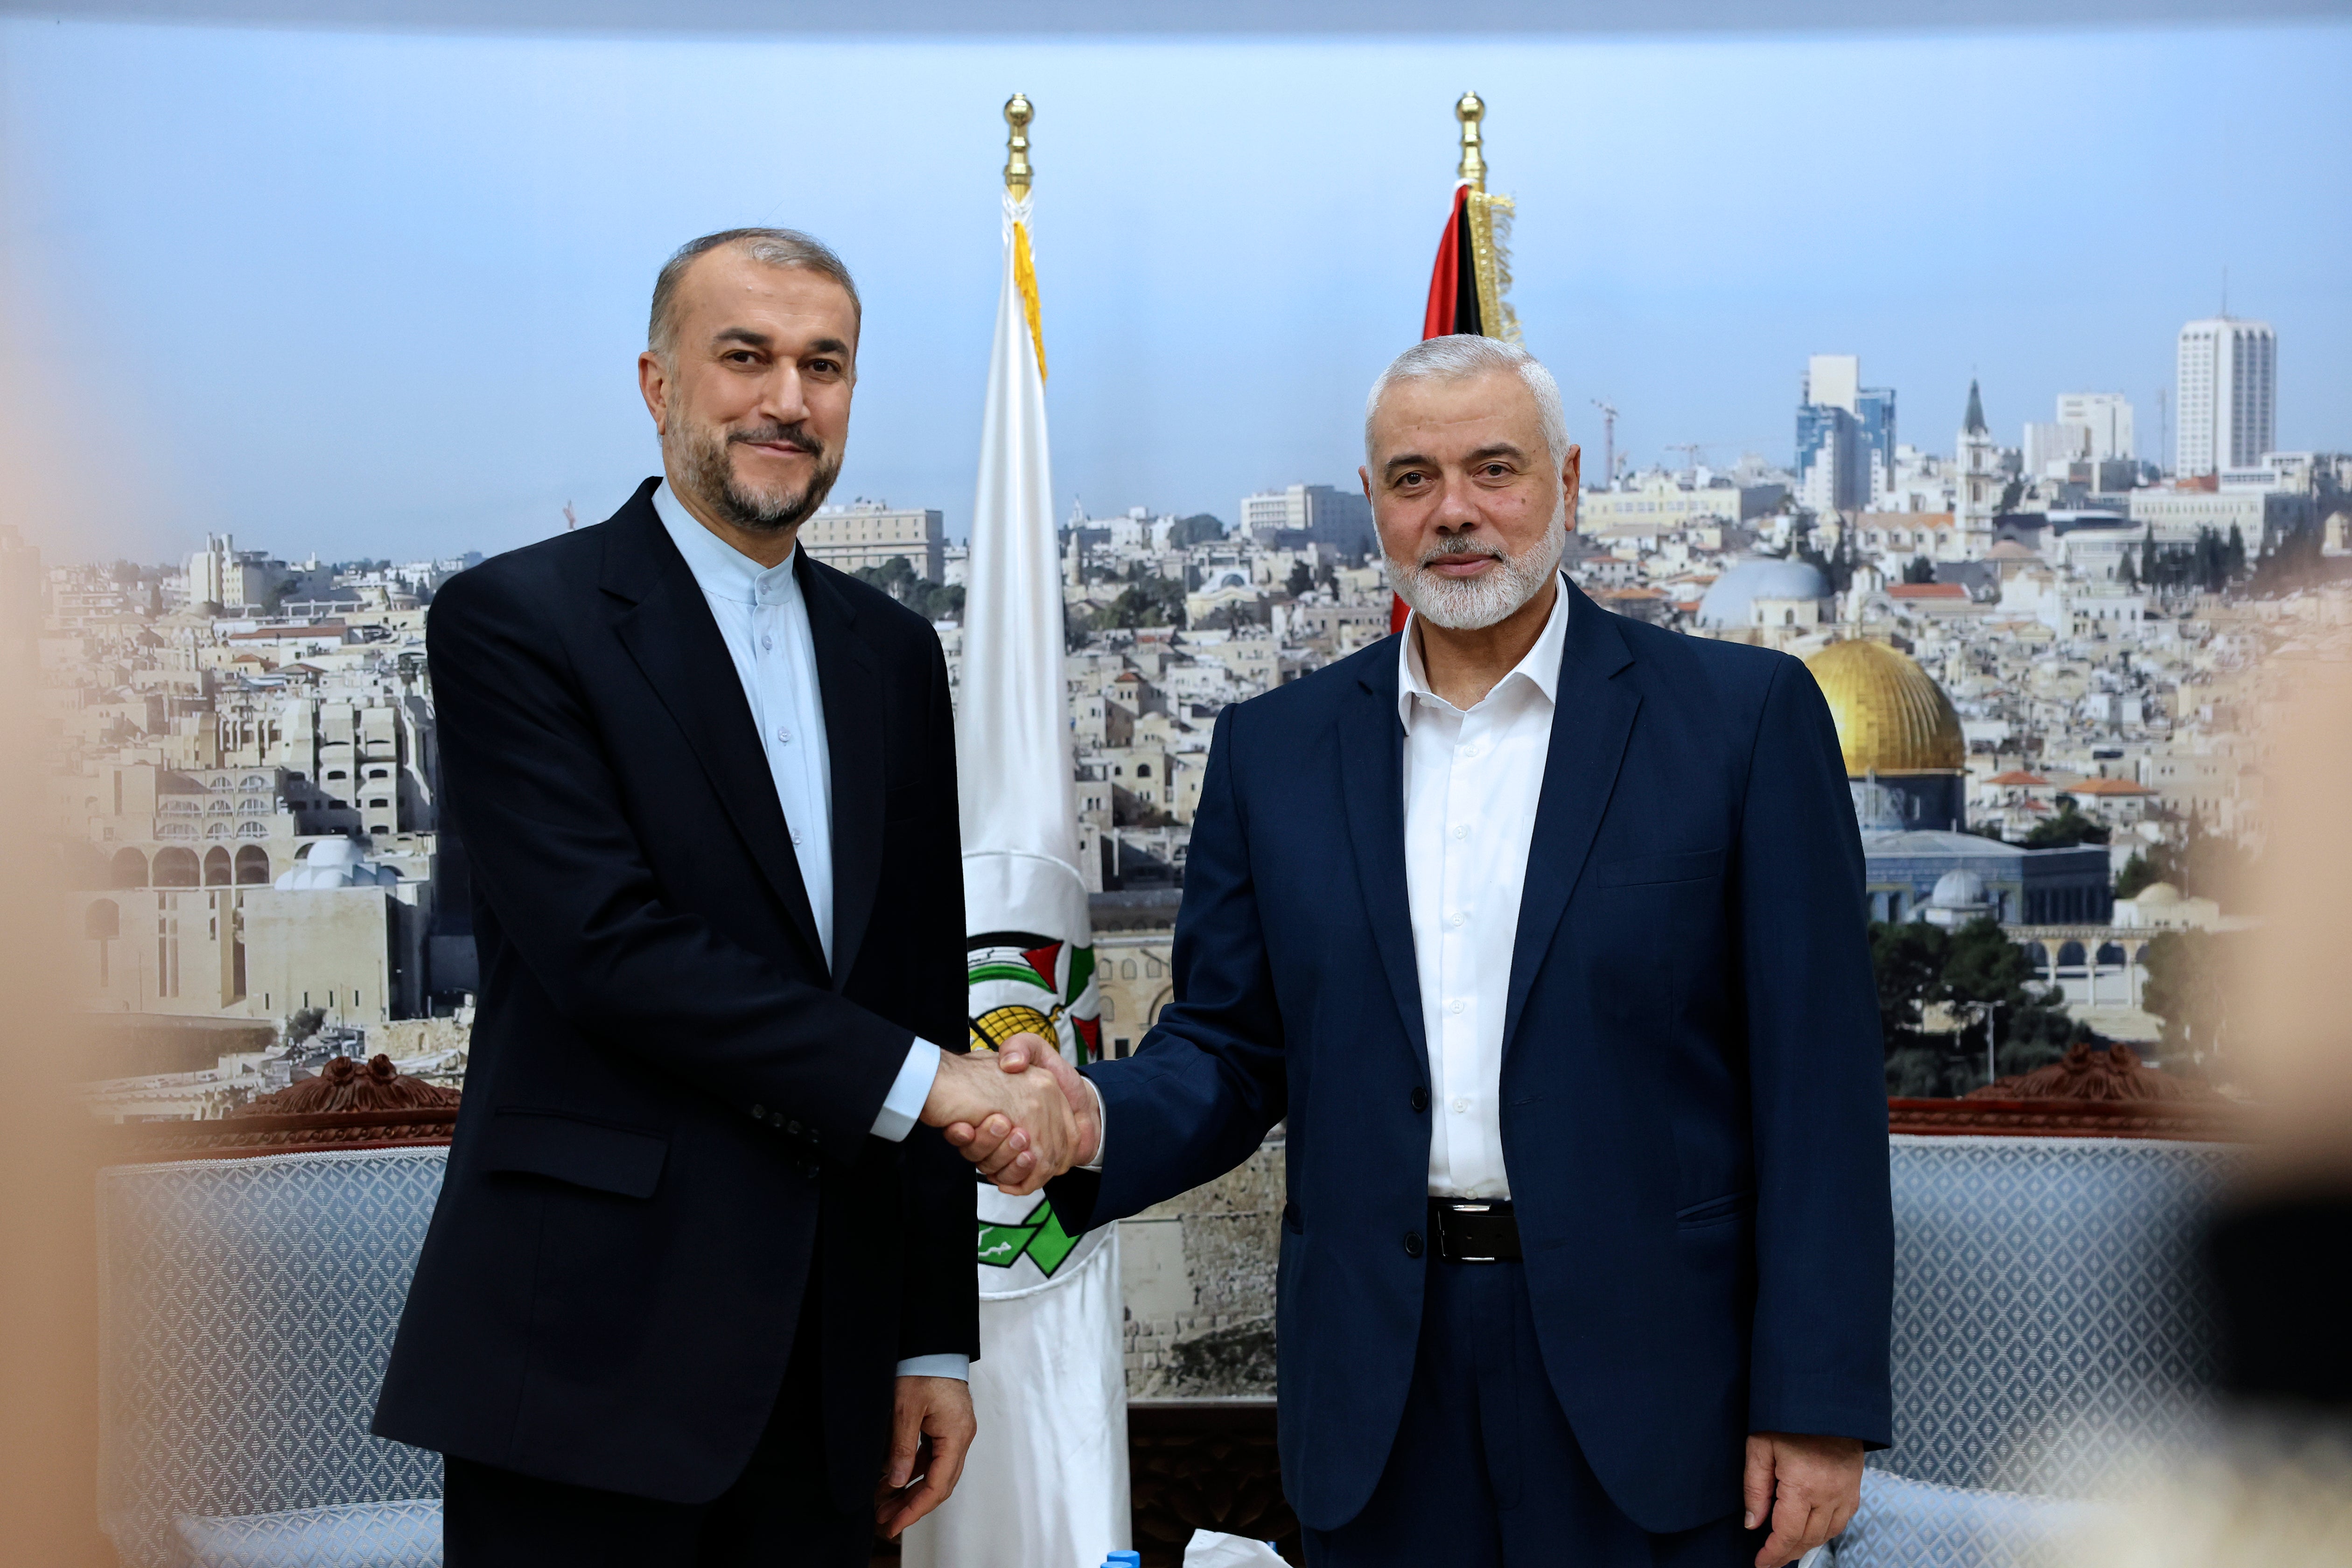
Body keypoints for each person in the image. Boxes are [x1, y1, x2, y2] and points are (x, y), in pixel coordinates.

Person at [954, 336, 1893, 1567]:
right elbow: (1231, 1051)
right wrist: (1089, 1119)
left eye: (1492, 471)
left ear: (1566, 481)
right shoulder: (1272, 753)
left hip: (1656, 1384)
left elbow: (1817, 1084)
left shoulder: (1741, 722)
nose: (1454, 512)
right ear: (1373, 502)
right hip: (1379, 1387)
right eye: (1411, 479)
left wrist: (1816, 1407)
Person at [372, 228, 1078, 1568]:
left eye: (825, 366)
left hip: (832, 1371)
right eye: (744, 357)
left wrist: (931, 1334)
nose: (787, 402)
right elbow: (609, 952)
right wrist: (942, 1085)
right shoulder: (514, 620)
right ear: (656, 383)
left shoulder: (890, 651)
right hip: (587, 1355)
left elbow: (915, 981)